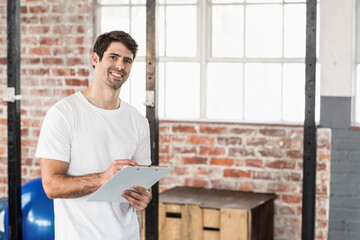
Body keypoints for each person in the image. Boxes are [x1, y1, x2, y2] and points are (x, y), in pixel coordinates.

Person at [35, 30, 152, 240]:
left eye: (127, 60)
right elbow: (51, 186)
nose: (120, 66)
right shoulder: (63, 114)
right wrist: (102, 178)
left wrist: (143, 197)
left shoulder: (138, 121)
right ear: (95, 59)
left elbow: (140, 183)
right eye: (113, 57)